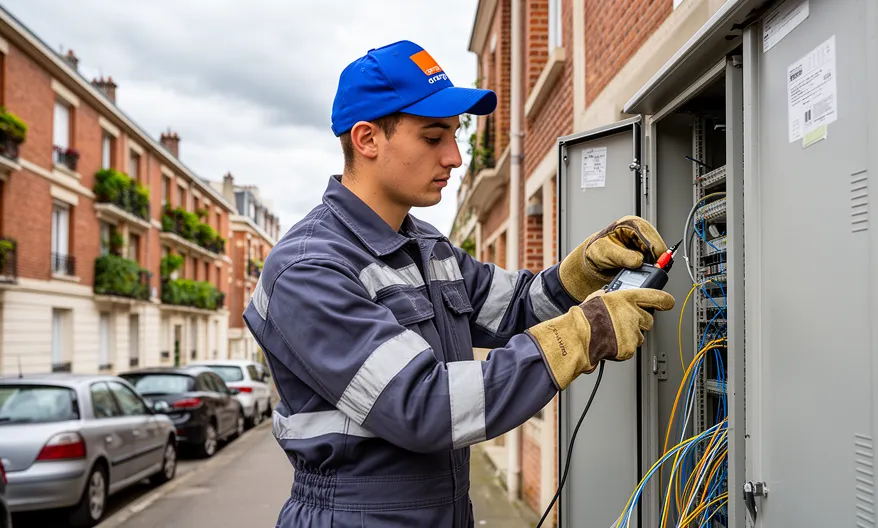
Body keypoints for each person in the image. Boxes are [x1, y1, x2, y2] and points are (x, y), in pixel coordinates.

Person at [243, 39, 676, 527]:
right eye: (433, 138)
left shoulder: (427, 245)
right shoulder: (308, 269)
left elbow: (514, 307)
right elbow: (422, 406)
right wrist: (583, 333)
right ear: (366, 140)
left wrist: (583, 272)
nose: (454, 157)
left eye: (455, 135)